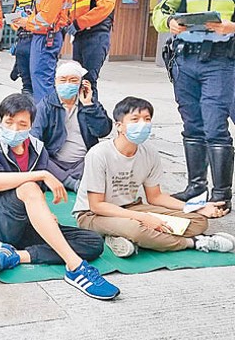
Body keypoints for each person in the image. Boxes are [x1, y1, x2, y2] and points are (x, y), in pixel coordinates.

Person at [0, 93, 119, 300]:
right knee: (29, 186)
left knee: (92, 242)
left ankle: (15, 256)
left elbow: (36, 195)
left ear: (31, 125)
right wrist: (43, 174)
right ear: (1, 120)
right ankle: (75, 268)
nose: (14, 129)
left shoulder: (38, 150)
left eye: (22, 124)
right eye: (9, 122)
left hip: (22, 225)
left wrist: (45, 214)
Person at [74, 96, 234, 258]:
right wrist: (143, 218)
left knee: (199, 221)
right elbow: (97, 206)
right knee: (136, 228)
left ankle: (119, 237)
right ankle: (195, 242)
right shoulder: (99, 154)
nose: (142, 124)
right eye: (135, 119)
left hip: (131, 207)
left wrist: (198, 207)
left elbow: (155, 197)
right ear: (119, 126)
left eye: (147, 119)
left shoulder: (149, 152)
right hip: (93, 215)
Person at [152, 0, 235, 210]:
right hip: (185, 59)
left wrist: (230, 26)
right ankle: (195, 187)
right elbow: (161, 11)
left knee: (214, 124)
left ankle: (221, 194)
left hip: (221, 60)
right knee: (192, 125)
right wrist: (170, 23)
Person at [31, 61, 112, 192]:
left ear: (82, 83)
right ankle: (71, 182)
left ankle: (64, 180)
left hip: (83, 162)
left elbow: (103, 131)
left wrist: (89, 106)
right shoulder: (46, 106)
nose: (67, 84)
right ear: (55, 82)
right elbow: (34, 137)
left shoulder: (90, 104)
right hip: (54, 162)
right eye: (62, 80)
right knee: (37, 156)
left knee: (103, 158)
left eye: (73, 80)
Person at [11, 0, 72, 104]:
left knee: (42, 81)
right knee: (39, 80)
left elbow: (46, 18)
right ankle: (44, 120)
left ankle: (46, 123)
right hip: (43, 36)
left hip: (46, 37)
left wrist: (26, 21)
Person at [65, 0, 117, 100]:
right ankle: (80, 114)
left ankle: (90, 115)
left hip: (96, 36)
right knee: (78, 78)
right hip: (80, 37)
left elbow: (106, 5)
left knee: (88, 80)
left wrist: (79, 23)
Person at [10, 0, 41, 97]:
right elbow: (13, 17)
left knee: (39, 72)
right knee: (22, 58)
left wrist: (29, 21)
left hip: (40, 36)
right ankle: (27, 92)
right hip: (23, 37)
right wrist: (17, 23)